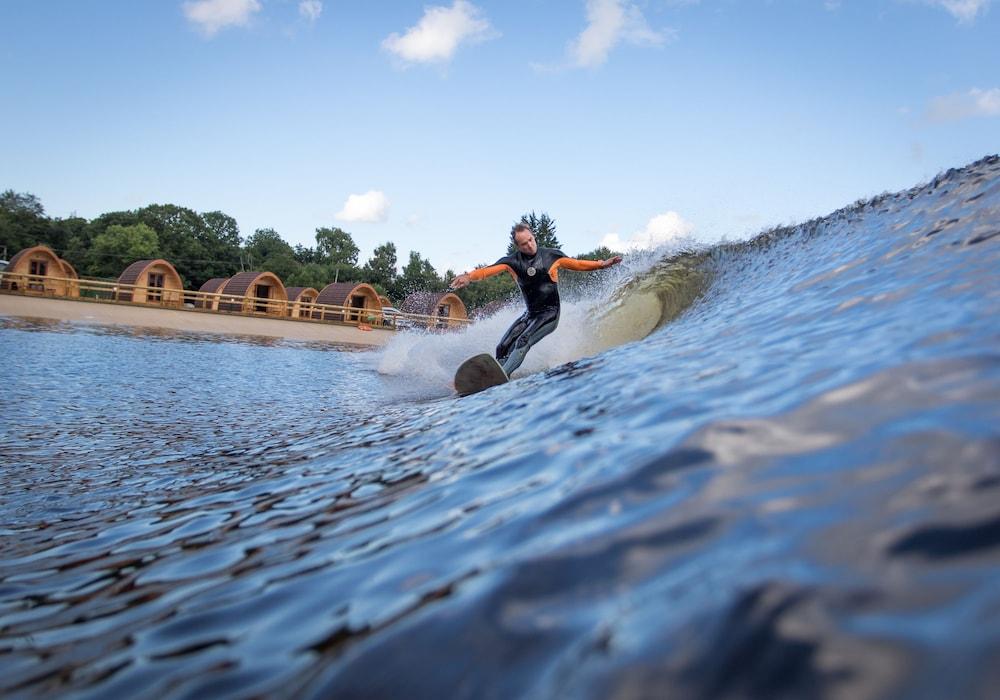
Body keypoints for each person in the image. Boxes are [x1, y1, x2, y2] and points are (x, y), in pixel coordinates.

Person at [450, 223, 622, 377]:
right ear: (517, 246)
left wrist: (602, 264)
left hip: (550, 314)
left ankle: (503, 375)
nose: (530, 245)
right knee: (502, 347)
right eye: (524, 244)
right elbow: (487, 271)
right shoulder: (512, 262)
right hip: (530, 315)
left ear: (533, 236)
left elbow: (578, 264)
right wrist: (469, 276)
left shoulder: (551, 256)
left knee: (523, 340)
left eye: (531, 240)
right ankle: (495, 377)